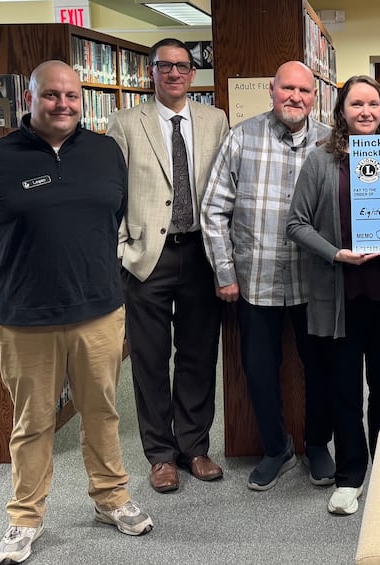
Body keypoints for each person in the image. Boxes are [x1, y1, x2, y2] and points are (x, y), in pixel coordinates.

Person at [0, 60, 153, 565]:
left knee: (102, 412)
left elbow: (113, 216)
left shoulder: (105, 152)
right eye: (52, 95)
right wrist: (19, 273)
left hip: (98, 310)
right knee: (33, 421)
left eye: (71, 95)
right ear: (30, 98)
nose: (63, 104)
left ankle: (111, 498)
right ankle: (25, 517)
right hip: (25, 317)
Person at [201, 61, 335, 491]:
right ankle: (275, 448)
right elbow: (213, 210)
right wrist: (225, 272)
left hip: (314, 281)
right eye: (287, 89)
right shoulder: (241, 137)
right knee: (258, 369)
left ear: (315, 97)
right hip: (254, 278)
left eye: (304, 91)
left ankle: (317, 444)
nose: (295, 97)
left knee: (319, 368)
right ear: (271, 91)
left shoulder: (330, 142)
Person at [106, 38, 229, 493]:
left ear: (192, 74)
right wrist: (121, 248)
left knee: (199, 354)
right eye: (165, 66)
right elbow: (112, 194)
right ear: (150, 72)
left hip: (200, 253)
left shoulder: (215, 120)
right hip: (146, 258)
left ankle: (194, 446)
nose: (174, 73)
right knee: (150, 359)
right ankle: (160, 454)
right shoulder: (124, 122)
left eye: (182, 66)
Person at [287, 76, 380, 515]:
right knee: (343, 391)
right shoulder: (321, 161)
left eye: (373, 104)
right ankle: (351, 475)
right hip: (339, 298)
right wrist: (336, 253)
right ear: (341, 111)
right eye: (356, 104)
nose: (365, 112)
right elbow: (296, 225)